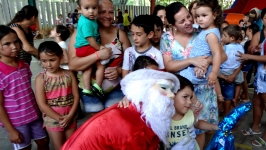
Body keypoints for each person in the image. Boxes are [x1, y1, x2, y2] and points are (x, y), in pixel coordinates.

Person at [61, 69, 198, 149]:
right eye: (165, 91)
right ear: (149, 94)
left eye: (172, 92)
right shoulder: (134, 128)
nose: (171, 97)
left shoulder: (138, 111)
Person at [161, 2, 227, 149]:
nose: (189, 21)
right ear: (172, 24)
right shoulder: (167, 38)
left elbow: (222, 56)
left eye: (189, 16)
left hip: (204, 89)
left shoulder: (203, 30)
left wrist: (207, 61)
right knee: (180, 127)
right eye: (182, 21)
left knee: (199, 129)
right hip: (181, 93)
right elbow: (169, 66)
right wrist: (191, 60)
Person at [68, 0, 131, 113]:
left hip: (115, 87)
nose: (107, 16)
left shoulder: (120, 34)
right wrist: (97, 55)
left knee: (114, 116)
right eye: (103, 12)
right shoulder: (80, 34)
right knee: (97, 121)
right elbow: (72, 65)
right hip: (89, 89)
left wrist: (119, 70)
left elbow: (132, 61)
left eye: (111, 12)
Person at [0, 25, 49, 150]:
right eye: (7, 43)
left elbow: (27, 90)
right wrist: (11, 130)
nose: (14, 46)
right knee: (24, 147)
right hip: (16, 121)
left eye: (16, 41)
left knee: (44, 141)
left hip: (34, 114)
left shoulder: (24, 64)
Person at [35, 41, 79, 150]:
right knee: (60, 147)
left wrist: (69, 117)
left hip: (70, 116)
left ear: (61, 57)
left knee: (72, 146)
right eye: (44, 61)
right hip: (53, 120)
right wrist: (60, 119)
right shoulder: (41, 79)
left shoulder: (69, 74)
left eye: (52, 60)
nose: (48, 65)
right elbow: (42, 104)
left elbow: (76, 97)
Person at [167, 75, 219, 149]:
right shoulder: (162, 120)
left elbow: (198, 124)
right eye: (185, 97)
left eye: (191, 97)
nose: (189, 102)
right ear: (171, 95)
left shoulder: (189, 114)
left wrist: (215, 127)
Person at [75, 0, 107, 98]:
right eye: (87, 8)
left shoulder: (87, 19)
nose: (91, 11)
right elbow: (89, 38)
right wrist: (98, 48)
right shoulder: (86, 22)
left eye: (94, 8)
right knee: (101, 65)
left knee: (88, 69)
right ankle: (98, 85)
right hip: (87, 47)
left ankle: (87, 88)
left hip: (81, 49)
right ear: (79, 9)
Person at [238, 39, 266, 147]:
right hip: (261, 73)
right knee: (257, 101)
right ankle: (255, 127)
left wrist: (249, 56)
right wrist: (259, 49)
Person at [217, 25, 244, 115]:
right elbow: (241, 62)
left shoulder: (225, 47)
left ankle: (221, 112)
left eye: (224, 36)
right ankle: (229, 109)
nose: (222, 38)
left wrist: (220, 45)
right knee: (230, 93)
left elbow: (219, 59)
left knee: (221, 94)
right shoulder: (240, 47)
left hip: (223, 72)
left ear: (232, 38)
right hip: (234, 72)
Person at [240, 24, 260, 103]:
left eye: (247, 29)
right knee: (243, 79)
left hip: (246, 62)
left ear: (250, 30)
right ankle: (244, 95)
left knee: (243, 79)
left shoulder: (248, 42)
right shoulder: (252, 41)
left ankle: (246, 96)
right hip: (249, 62)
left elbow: (247, 54)